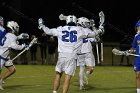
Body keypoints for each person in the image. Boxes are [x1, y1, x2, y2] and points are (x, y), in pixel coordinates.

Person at [38, 14, 104, 93]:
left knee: (58, 75)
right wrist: (100, 30)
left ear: (67, 21)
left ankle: (54, 92)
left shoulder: (60, 29)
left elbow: (48, 31)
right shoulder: (79, 30)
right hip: (72, 56)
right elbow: (93, 35)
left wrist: (41, 25)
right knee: (67, 77)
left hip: (61, 56)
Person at [0, 19, 29, 90]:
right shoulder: (11, 36)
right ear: (13, 28)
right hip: (1, 56)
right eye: (16, 27)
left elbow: (13, 39)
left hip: (5, 56)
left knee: (12, 69)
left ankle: (1, 80)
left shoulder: (8, 34)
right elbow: (15, 46)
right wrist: (23, 46)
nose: (17, 29)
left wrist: (20, 36)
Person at [76, 17, 101, 90]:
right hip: (87, 52)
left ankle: (81, 85)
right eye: (86, 23)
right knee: (91, 68)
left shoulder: (76, 30)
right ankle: (86, 75)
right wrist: (94, 27)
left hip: (79, 52)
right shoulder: (87, 30)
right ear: (82, 23)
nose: (87, 24)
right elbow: (96, 39)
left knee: (81, 68)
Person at [129, 20, 140, 93]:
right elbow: (133, 47)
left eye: (139, 27)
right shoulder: (136, 36)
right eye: (138, 27)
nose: (138, 28)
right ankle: (138, 91)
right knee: (137, 75)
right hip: (138, 58)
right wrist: (129, 51)